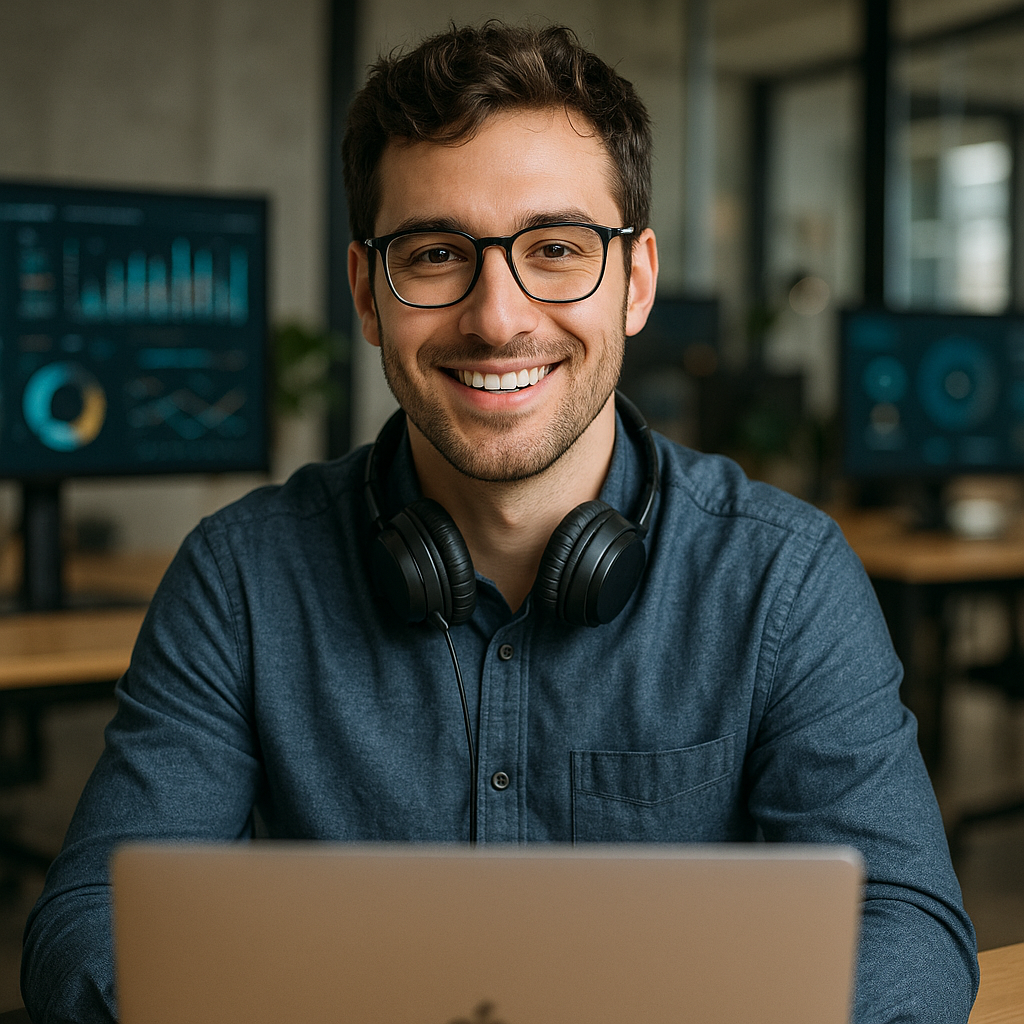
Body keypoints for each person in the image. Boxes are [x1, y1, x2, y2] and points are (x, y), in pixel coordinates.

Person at [23, 21, 977, 1024]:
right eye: (435, 254)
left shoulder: (782, 576)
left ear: (636, 279)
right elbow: (91, 931)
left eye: (555, 248)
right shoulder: (241, 576)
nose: (496, 315)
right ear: (365, 292)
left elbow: (908, 933)